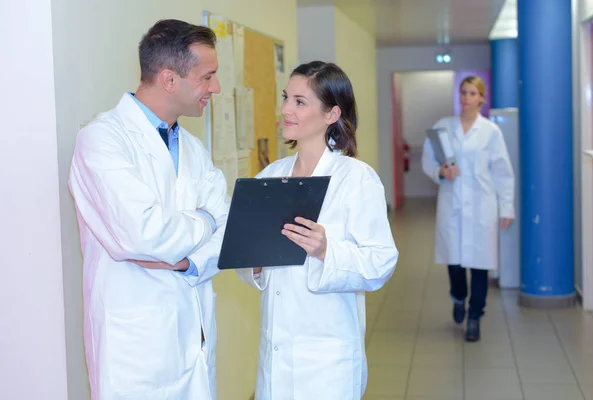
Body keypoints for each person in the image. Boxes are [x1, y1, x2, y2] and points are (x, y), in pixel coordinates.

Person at [68, 19, 229, 399]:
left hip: (194, 337)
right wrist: (205, 218)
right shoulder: (101, 141)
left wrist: (189, 261)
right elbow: (144, 234)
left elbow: (230, 230)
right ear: (169, 79)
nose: (216, 88)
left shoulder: (192, 149)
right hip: (135, 351)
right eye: (208, 77)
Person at [237, 61, 398, 400]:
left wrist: (327, 249)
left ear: (331, 114)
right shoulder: (271, 175)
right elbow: (248, 258)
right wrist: (254, 262)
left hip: (327, 360)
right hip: (276, 353)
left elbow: (381, 262)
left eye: (299, 101)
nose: (285, 110)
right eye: (286, 98)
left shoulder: (357, 178)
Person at [421, 76, 514, 342]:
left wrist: (506, 207)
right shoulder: (443, 127)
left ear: (481, 98)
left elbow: (502, 171)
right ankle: (458, 297)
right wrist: (440, 171)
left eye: (472, 93)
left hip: (483, 204)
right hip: (452, 202)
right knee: (455, 263)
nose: (466, 98)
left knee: (481, 265)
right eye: (463, 92)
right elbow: (428, 159)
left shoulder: (490, 131)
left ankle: (475, 317)